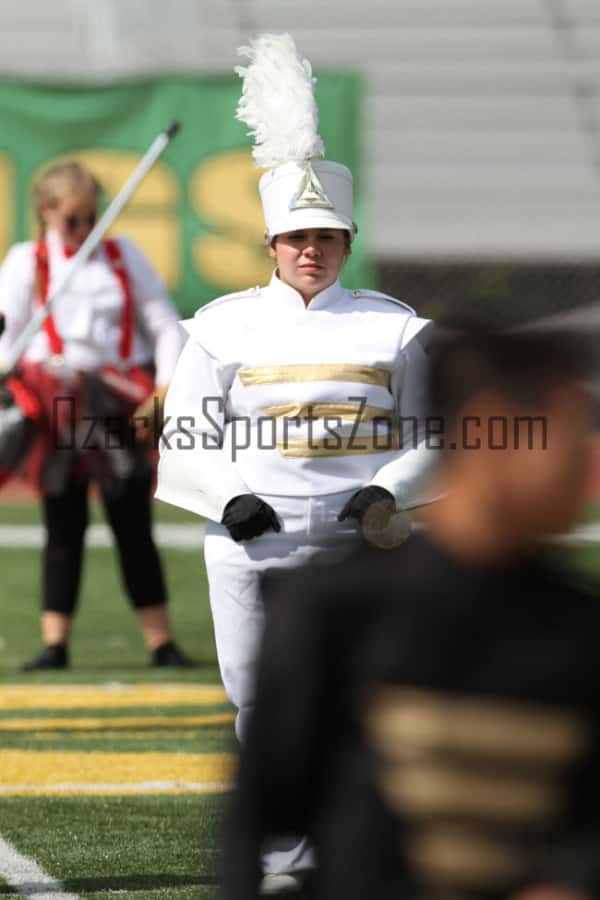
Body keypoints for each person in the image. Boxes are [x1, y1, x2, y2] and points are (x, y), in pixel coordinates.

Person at [155, 33, 437, 893]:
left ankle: (358, 855)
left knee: (368, 705)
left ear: (346, 241)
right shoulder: (220, 323)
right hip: (250, 545)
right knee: (259, 704)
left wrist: (385, 493)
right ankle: (283, 861)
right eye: (296, 237)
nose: (311, 250)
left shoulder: (395, 325)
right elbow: (182, 435)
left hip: (363, 546)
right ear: (272, 244)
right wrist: (230, 498)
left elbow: (437, 435)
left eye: (327, 236)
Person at [223, 329, 600, 900]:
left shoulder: (582, 629)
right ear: (490, 431)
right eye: (572, 437)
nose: (588, 466)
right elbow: (253, 824)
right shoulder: (335, 609)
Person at [0, 160, 193, 670]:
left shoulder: (123, 256)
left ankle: (161, 643)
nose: (86, 230)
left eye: (94, 217)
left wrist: (164, 386)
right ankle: (54, 644)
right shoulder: (27, 261)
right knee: (63, 522)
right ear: (45, 213)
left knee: (131, 517)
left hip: (117, 403)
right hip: (57, 407)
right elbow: (8, 334)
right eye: (73, 220)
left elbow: (165, 325)